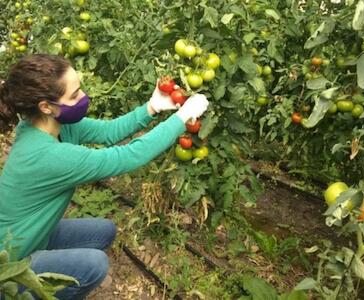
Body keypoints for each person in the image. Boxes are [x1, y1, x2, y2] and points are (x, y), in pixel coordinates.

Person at [0, 54, 209, 299]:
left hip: (31, 235)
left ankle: (47, 264)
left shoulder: (48, 124)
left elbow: (109, 132)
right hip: (9, 265)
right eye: (75, 94)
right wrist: (181, 119)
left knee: (104, 231)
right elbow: (127, 156)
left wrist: (151, 107)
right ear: (46, 106)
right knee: (94, 264)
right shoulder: (48, 155)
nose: (83, 97)